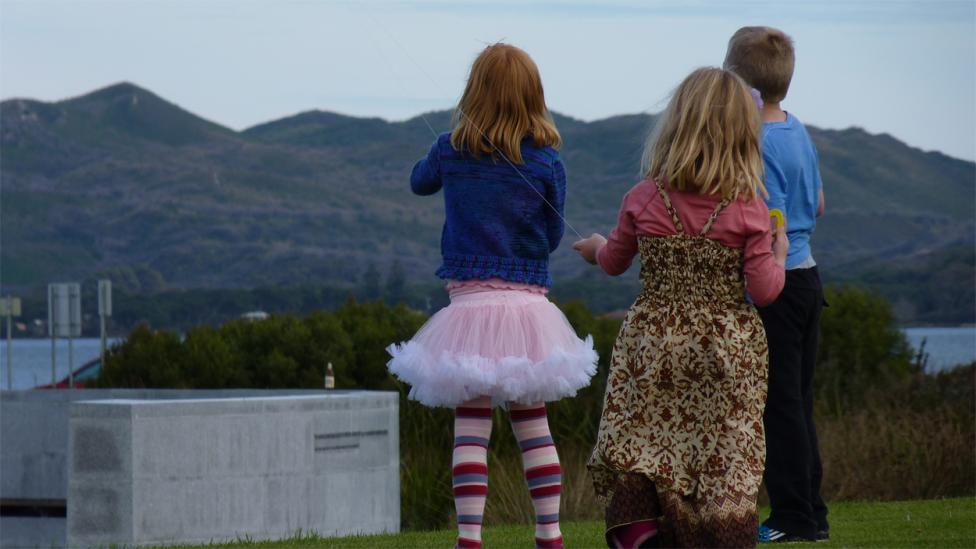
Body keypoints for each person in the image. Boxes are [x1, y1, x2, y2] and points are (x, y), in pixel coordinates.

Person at [386, 43, 598, 549]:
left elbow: (419, 183)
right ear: (534, 97)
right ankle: (550, 535)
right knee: (534, 428)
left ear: (472, 91)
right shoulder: (548, 163)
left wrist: (444, 145)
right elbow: (549, 237)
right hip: (528, 310)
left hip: (470, 310)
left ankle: (470, 539)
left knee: (471, 430)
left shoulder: (448, 149)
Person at [574, 67, 788, 548]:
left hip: (653, 343)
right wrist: (778, 255)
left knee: (644, 444)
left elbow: (612, 261)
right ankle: (718, 535)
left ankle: (641, 532)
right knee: (722, 453)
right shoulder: (749, 207)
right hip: (723, 351)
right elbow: (766, 290)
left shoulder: (644, 196)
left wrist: (593, 248)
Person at [724, 26, 829, 543]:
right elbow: (820, 204)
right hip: (811, 280)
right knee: (799, 401)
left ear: (737, 82)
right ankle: (813, 510)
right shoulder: (797, 129)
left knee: (778, 404)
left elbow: (774, 221)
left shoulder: (757, 143)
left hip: (779, 284)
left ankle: (791, 517)